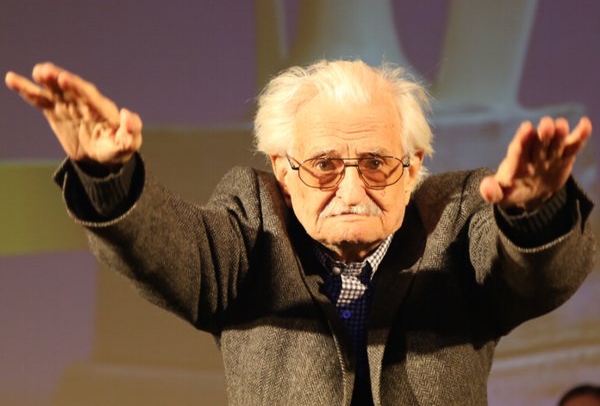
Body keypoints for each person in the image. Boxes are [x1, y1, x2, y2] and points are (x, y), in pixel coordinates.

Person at [5, 60, 596, 405]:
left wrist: (533, 214)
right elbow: (176, 249)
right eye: (324, 165)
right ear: (284, 171)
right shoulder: (254, 217)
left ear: (414, 165)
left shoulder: (457, 215)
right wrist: (108, 176)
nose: (351, 188)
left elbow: (534, 277)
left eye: (376, 163)